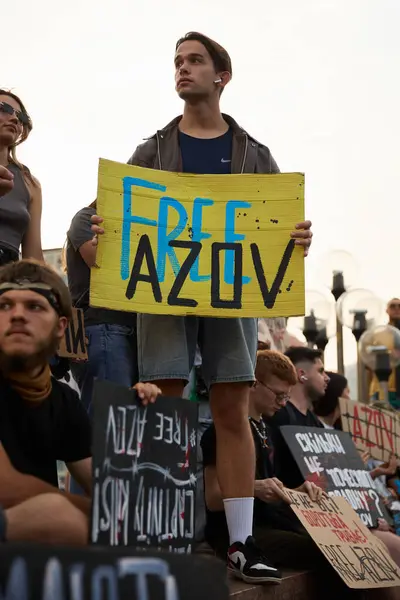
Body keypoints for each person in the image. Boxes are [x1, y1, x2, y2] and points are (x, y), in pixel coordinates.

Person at [91, 31, 313, 583]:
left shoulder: (254, 155)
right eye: (177, 62)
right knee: (168, 405)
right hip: (163, 293)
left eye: (194, 61)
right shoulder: (152, 150)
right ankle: (167, 538)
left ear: (222, 76)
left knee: (232, 408)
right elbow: (113, 216)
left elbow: (277, 227)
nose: (182, 70)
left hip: (233, 294)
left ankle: (240, 543)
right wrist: (100, 232)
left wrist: (296, 239)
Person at [0, 259, 160, 525]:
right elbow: (8, 488)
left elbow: (102, 484)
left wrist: (134, 415)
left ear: (62, 327)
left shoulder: (62, 400)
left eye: (34, 306)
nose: (17, 314)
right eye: (4, 305)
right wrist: (92, 513)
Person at [201, 350, 359, 596]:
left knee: (342, 543)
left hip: (269, 523)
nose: (284, 402)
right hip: (237, 535)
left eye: (287, 395)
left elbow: (269, 492)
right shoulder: (222, 433)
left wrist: (295, 493)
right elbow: (212, 498)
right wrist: (256, 488)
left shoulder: (267, 430)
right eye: (278, 394)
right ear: (253, 384)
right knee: (329, 553)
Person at [313, 371, 400, 566]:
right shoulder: (316, 430)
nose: (350, 398)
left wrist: (379, 472)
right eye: (346, 392)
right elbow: (334, 482)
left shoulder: (339, 433)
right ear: (336, 395)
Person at [66, 203, 138, 417]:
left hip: (126, 331)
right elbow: (103, 265)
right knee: (111, 423)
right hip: (103, 328)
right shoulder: (87, 217)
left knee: (123, 425)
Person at [267, 347, 329, 489]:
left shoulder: (316, 423)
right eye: (320, 371)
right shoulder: (278, 415)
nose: (326, 377)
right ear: (302, 374)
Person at [0, 90, 43, 265]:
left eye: (21, 117)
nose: (15, 119)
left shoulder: (30, 183)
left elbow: (33, 259)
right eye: (4, 109)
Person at [369, 298, 400, 409]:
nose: (396, 309)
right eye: (393, 306)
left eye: (399, 306)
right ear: (386, 310)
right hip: (385, 387)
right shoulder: (379, 335)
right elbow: (369, 362)